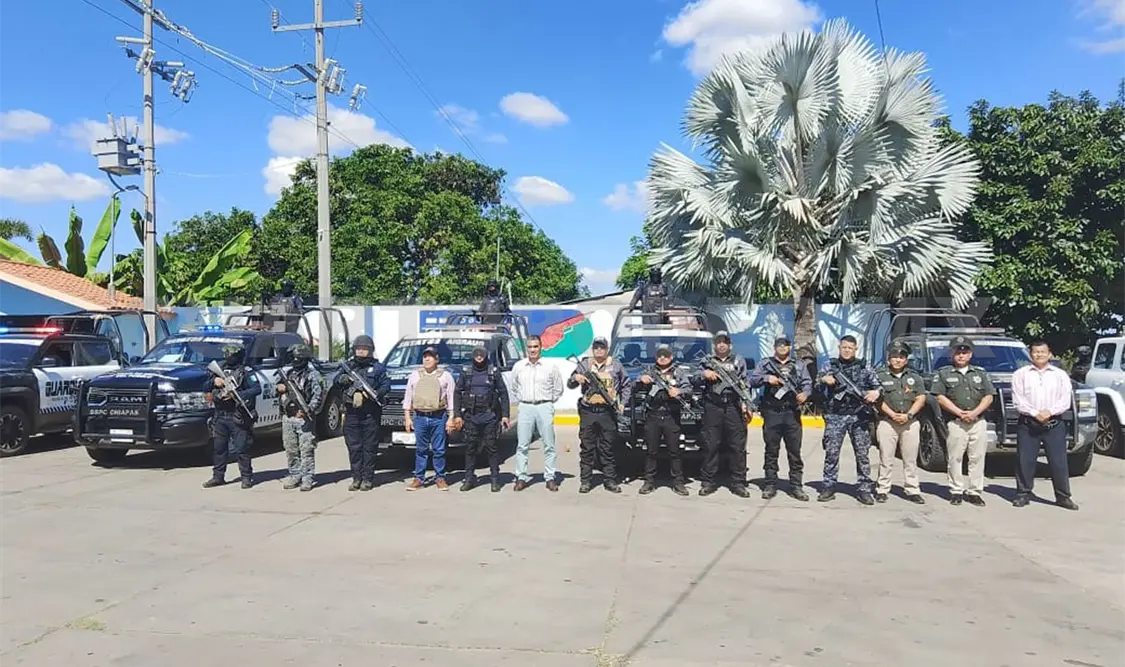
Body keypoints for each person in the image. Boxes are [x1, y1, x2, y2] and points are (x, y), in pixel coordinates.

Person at [1011, 340, 1079, 510]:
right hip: (1028, 423)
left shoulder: (1060, 375)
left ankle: (1063, 496)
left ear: (1049, 354)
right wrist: (1035, 413)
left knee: (1058, 461)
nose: (1039, 354)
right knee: (1024, 461)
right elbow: (1018, 400)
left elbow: (1065, 399)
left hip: (1054, 422)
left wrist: (1049, 412)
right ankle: (1022, 494)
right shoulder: (1020, 374)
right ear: (1030, 354)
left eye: (1043, 351)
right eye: (1036, 351)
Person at [815, 335, 882, 504]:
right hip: (835, 415)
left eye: (850, 348)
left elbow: (878, 385)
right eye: (844, 347)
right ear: (839, 347)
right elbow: (816, 381)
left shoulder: (863, 366)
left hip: (859, 416)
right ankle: (828, 486)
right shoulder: (830, 365)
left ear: (855, 349)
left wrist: (876, 393)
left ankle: (864, 488)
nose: (846, 350)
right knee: (831, 453)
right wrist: (824, 379)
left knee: (862, 454)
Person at [931, 335, 994, 506]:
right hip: (956, 422)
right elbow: (940, 397)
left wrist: (974, 413)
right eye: (958, 352)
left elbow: (988, 396)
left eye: (965, 352)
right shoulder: (944, 373)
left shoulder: (980, 373)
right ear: (952, 353)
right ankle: (956, 490)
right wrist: (960, 412)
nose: (961, 355)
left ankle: (974, 491)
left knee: (977, 458)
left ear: (970, 354)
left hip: (977, 422)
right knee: (955, 458)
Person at [750, 336, 812, 501]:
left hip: (792, 412)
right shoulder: (765, 364)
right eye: (779, 345)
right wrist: (767, 378)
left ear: (790, 347)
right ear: (774, 347)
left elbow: (807, 383)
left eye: (785, 345)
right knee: (771, 450)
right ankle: (770, 484)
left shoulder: (798, 364)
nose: (782, 348)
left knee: (794, 451)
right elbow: (752, 380)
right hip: (772, 413)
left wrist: (805, 394)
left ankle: (796, 486)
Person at [692, 331, 752, 497]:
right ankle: (708, 481)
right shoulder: (707, 361)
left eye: (724, 342)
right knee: (711, 444)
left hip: (733, 406)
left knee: (737, 446)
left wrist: (747, 405)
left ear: (729, 344)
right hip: (713, 406)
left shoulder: (738, 360)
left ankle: (738, 482)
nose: (721, 345)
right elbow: (694, 377)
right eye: (718, 342)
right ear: (715, 344)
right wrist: (704, 374)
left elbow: (745, 383)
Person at [568, 337, 631, 493]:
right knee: (587, 448)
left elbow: (627, 385)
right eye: (596, 348)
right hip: (588, 411)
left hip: (607, 412)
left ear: (607, 349)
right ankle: (586, 481)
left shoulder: (616, 365)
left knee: (608, 448)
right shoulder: (584, 364)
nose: (599, 351)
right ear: (593, 349)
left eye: (602, 348)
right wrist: (577, 378)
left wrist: (623, 402)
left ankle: (610, 480)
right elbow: (570, 383)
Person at [509, 335, 565, 491]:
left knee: (549, 444)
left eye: (535, 346)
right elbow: (514, 387)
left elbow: (558, 388)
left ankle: (550, 477)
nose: (532, 350)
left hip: (544, 406)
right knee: (522, 445)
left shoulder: (550, 367)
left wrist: (547, 402)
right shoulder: (519, 366)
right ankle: (521, 477)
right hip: (525, 407)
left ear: (541, 347)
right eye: (530, 347)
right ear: (526, 348)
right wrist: (523, 399)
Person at [636, 345, 693, 495]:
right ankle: (649, 481)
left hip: (671, 416)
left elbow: (689, 389)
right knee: (650, 451)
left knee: (675, 451)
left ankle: (678, 482)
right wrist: (641, 379)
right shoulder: (649, 371)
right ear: (656, 357)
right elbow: (634, 385)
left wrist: (679, 391)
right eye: (660, 355)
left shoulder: (678, 372)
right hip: (653, 415)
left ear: (671, 357)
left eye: (666, 355)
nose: (662, 358)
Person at [874, 342, 927, 504]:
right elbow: (877, 399)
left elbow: (921, 398)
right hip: (888, 421)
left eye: (901, 357)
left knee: (910, 459)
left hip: (910, 422)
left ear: (906, 360)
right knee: (886, 457)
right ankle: (882, 488)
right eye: (894, 357)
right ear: (889, 359)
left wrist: (909, 415)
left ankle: (912, 489)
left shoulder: (914, 377)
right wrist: (892, 414)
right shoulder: (879, 376)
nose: (897, 360)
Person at [202, 344, 261, 489]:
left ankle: (246, 477)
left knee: (242, 448)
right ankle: (218, 476)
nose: (228, 357)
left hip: (238, 415)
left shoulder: (246, 371)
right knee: (219, 448)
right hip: (221, 415)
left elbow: (256, 388)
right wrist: (213, 382)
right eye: (226, 353)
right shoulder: (218, 369)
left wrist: (237, 395)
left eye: (231, 354)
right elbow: (205, 387)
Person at [337, 334, 390, 491]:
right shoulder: (348, 366)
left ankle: (367, 478)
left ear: (370, 350)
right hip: (351, 413)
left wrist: (371, 395)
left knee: (369, 447)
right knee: (354, 447)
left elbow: (386, 385)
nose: (361, 351)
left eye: (364, 349)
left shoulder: (378, 368)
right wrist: (343, 379)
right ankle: (356, 478)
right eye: (359, 349)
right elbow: (335, 380)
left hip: (370, 414)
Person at [454, 346, 511, 492]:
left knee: (491, 448)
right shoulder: (466, 372)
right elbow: (457, 393)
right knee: (470, 448)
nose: (479, 357)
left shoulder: (493, 372)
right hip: (471, 417)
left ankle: (494, 479)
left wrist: (505, 415)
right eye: (476, 354)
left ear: (486, 356)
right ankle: (469, 479)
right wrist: (457, 415)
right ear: (473, 356)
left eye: (482, 354)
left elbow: (503, 394)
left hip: (489, 416)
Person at [402, 347, 457, 490]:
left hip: (439, 417)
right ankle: (419, 478)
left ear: (437, 359)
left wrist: (451, 418)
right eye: (425, 356)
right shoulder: (414, 375)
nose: (427, 359)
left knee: (439, 450)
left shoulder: (446, 376)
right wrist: (407, 418)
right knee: (421, 450)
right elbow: (408, 397)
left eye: (430, 356)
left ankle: (440, 478)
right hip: (420, 417)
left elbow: (451, 398)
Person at [277, 343, 324, 492]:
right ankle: (295, 475)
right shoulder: (288, 374)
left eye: (296, 357)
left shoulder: (313, 375)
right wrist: (279, 388)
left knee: (306, 449)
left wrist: (308, 409)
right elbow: (277, 389)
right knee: (291, 449)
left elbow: (318, 395)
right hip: (288, 417)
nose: (294, 360)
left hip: (304, 418)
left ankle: (307, 477)